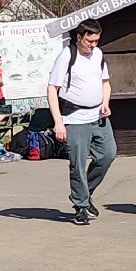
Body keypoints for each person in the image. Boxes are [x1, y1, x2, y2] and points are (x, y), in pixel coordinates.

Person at [47, 19, 115, 226]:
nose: (93, 45)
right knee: (78, 163)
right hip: (74, 119)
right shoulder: (67, 56)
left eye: (96, 40)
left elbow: (105, 83)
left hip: (98, 116)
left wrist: (105, 102)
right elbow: (52, 89)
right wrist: (58, 122)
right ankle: (81, 206)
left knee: (108, 154)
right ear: (79, 37)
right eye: (90, 41)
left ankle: (86, 192)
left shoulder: (99, 55)